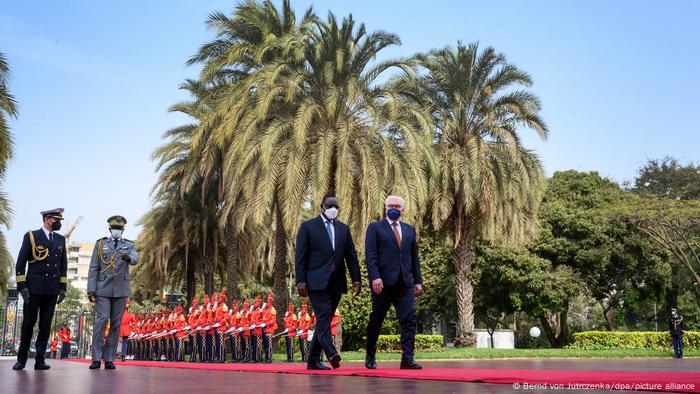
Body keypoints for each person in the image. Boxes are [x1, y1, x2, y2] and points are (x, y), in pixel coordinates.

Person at [294, 195, 361, 370]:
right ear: (322, 206)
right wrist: (300, 280)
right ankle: (332, 353)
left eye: (336, 206)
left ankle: (313, 360)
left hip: (336, 282)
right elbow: (300, 256)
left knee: (325, 320)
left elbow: (351, 256)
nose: (333, 209)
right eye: (330, 206)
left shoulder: (343, 229)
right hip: (315, 281)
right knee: (323, 316)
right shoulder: (308, 227)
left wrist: (356, 279)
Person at [364, 195, 423, 370]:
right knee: (377, 319)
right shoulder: (375, 228)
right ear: (385, 207)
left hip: (405, 283)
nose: (394, 208)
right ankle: (370, 355)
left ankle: (407, 359)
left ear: (403, 210)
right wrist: (375, 277)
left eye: (398, 206)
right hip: (382, 283)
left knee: (409, 320)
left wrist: (418, 281)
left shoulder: (409, 229)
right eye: (391, 205)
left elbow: (414, 257)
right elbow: (371, 256)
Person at [13, 208, 68, 371]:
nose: (58, 223)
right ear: (47, 219)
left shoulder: (60, 239)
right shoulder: (32, 236)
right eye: (56, 220)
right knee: (28, 324)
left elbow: (63, 265)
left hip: (51, 289)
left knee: (45, 325)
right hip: (34, 288)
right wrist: (22, 286)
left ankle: (40, 360)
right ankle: (21, 359)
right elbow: (20, 263)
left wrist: (63, 286)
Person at [87, 215, 139, 370]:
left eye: (120, 229)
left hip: (121, 289)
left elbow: (136, 259)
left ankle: (109, 358)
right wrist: (91, 289)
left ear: (123, 230)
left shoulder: (129, 245)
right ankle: (96, 358)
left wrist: (129, 258)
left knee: (116, 324)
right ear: (110, 229)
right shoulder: (101, 243)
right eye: (115, 229)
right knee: (101, 320)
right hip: (102, 288)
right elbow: (93, 267)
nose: (117, 231)